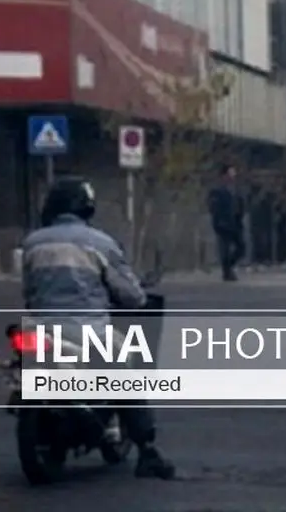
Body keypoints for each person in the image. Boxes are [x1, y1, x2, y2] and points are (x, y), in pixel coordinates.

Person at [21, 176, 175, 479]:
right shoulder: (100, 243)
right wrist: (137, 297)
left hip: (40, 329)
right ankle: (147, 450)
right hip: (87, 329)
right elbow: (131, 294)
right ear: (86, 207)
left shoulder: (32, 243)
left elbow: (29, 293)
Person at [207, 164, 246, 281]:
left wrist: (240, 217)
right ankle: (227, 272)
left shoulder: (235, 190)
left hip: (235, 223)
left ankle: (229, 267)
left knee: (241, 247)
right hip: (223, 224)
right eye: (230, 174)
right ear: (223, 176)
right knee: (225, 249)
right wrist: (218, 220)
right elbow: (213, 207)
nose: (232, 177)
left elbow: (240, 204)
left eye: (233, 175)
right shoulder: (216, 191)